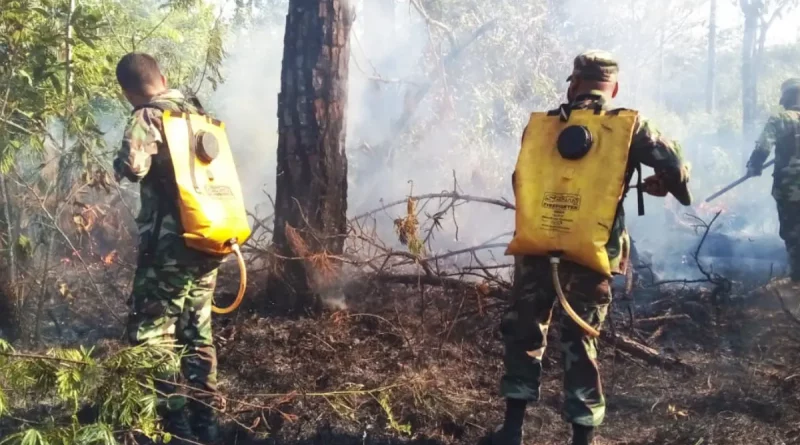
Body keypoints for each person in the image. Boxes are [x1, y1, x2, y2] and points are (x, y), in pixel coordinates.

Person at [484, 50, 692, 445]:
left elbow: (523, 179)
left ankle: (511, 431)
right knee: (580, 339)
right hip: (590, 251)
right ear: (613, 87)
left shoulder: (543, 125)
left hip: (538, 247)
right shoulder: (629, 126)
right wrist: (668, 184)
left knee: (524, 331)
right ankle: (582, 439)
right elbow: (676, 164)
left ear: (574, 83)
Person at [113, 53, 222, 443]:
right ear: (163, 76)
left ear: (126, 91)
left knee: (152, 336)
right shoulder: (196, 113)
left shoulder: (147, 116)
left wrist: (120, 160)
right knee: (196, 332)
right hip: (209, 239)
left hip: (171, 248)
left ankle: (176, 429)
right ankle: (207, 427)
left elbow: (133, 167)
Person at [746, 78, 800, 282]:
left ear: (786, 98)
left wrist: (755, 165)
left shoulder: (781, 119)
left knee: (793, 232)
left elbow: (763, 146)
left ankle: (797, 279)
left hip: (789, 189)